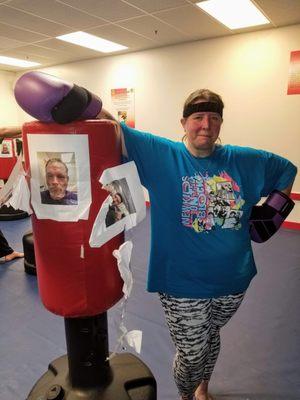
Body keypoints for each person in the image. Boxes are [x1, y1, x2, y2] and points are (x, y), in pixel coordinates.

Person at [98, 89, 297, 400]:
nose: (206, 124)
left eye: (214, 118)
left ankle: (202, 388)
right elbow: (114, 129)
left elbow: (287, 169)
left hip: (234, 279)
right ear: (184, 122)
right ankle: (187, 394)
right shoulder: (162, 155)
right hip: (181, 282)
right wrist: (86, 100)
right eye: (198, 117)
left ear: (220, 124)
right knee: (191, 355)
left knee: (211, 337)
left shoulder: (244, 160)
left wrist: (271, 214)